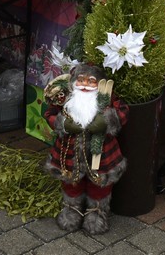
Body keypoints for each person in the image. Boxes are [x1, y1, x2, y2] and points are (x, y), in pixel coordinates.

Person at [43, 64, 128, 235]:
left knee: (100, 184)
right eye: (81, 80)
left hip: (101, 153)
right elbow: (49, 114)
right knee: (70, 182)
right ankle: (71, 210)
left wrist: (107, 121)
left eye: (91, 81)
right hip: (69, 151)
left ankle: (97, 213)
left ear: (100, 83)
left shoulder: (107, 97)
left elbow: (123, 111)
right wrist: (64, 124)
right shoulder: (64, 97)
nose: (85, 85)